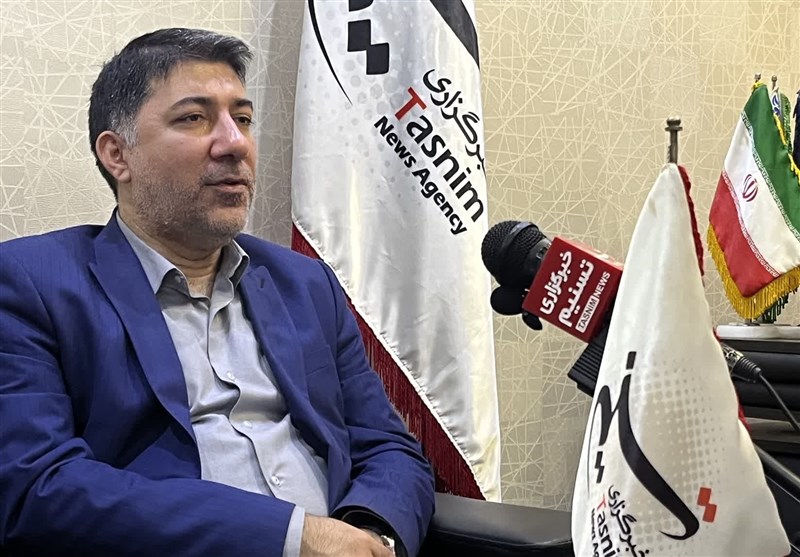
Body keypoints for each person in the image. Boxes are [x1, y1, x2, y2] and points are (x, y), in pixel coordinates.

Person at [0, 28, 434, 557]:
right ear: (117, 155)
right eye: (194, 118)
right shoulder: (30, 283)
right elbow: (38, 489)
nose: (235, 144)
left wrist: (370, 534)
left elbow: (387, 447)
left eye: (243, 119)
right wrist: (294, 539)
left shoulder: (305, 283)